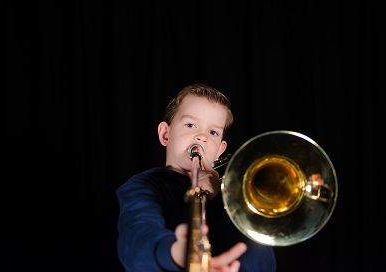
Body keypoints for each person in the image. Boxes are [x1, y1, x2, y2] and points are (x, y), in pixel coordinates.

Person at [116, 83, 277, 271]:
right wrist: (175, 253)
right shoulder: (145, 185)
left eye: (213, 132)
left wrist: (218, 200)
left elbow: (265, 259)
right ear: (165, 134)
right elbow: (136, 240)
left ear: (220, 150)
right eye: (191, 125)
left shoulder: (235, 196)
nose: (202, 137)